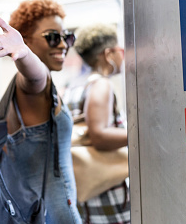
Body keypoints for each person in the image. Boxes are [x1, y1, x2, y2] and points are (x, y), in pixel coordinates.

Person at [0, 0, 82, 223]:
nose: (63, 45)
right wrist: (25, 54)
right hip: (50, 215)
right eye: (52, 37)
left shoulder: (40, 92)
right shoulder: (32, 86)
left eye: (67, 37)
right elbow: (35, 76)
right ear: (26, 40)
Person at [73, 23, 130, 224]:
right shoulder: (101, 84)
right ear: (108, 54)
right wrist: (142, 133)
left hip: (87, 187)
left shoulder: (77, 85)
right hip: (107, 191)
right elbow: (99, 135)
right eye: (120, 51)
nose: (123, 56)